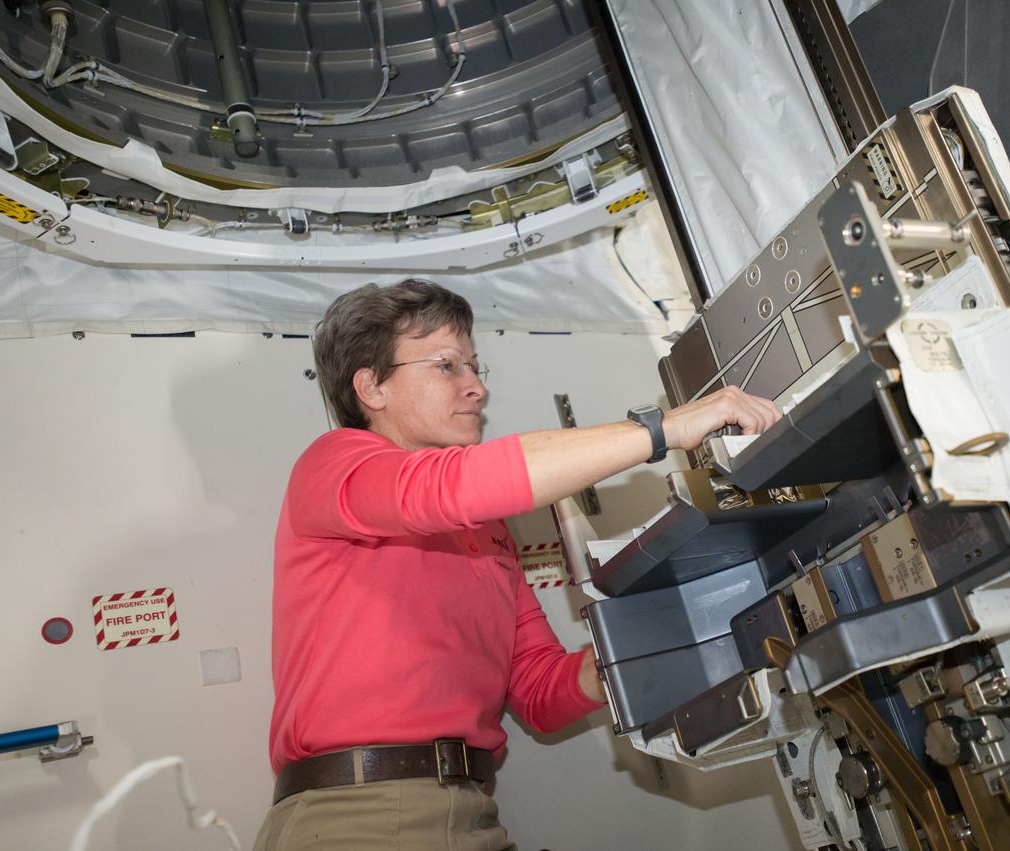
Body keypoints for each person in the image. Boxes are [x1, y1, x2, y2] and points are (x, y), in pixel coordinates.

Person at [253, 279, 781, 850]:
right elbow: (452, 487)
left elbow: (538, 690)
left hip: (473, 809)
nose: (475, 387)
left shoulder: (485, 528)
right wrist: (663, 430)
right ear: (371, 387)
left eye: (476, 367)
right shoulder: (334, 466)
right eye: (447, 366)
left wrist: (663, 637)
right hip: (357, 815)